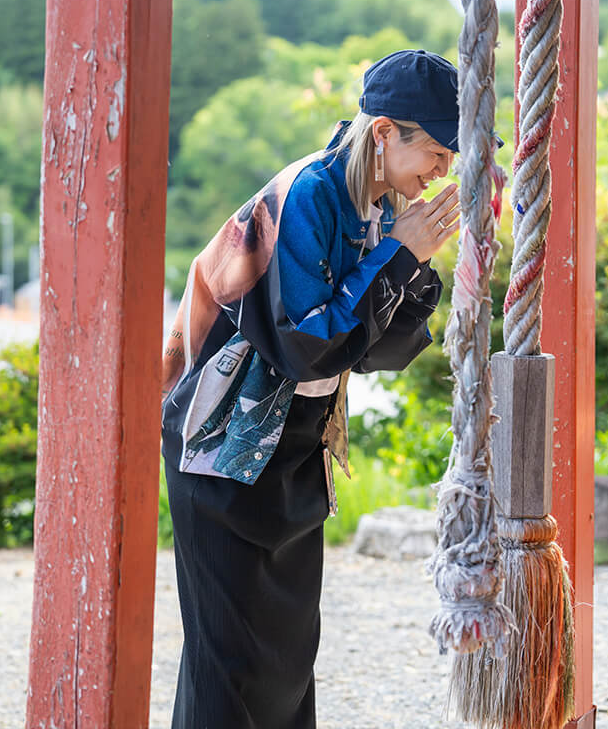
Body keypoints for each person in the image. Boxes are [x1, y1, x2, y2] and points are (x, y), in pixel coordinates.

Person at [159, 49, 471, 729]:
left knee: (286, 659)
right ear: (386, 132)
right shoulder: (303, 193)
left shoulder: (382, 204)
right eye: (439, 151)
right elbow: (306, 348)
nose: (443, 171)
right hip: (222, 452)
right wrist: (398, 258)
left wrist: (411, 265)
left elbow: (378, 353)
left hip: (293, 451)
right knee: (228, 665)